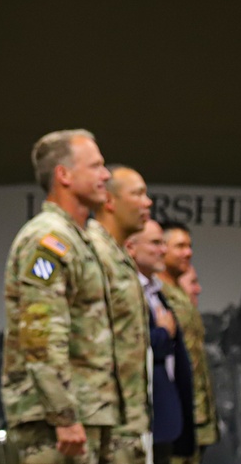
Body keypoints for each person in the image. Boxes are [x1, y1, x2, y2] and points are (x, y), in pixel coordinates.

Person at [2, 129, 121, 464]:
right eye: (96, 166)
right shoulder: (49, 239)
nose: (106, 175)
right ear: (63, 175)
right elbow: (41, 335)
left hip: (85, 410)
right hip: (55, 421)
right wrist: (64, 414)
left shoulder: (80, 237)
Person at [87, 166, 152, 464]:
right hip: (99, 420)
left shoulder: (119, 256)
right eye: (138, 193)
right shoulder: (92, 251)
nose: (148, 202)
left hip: (123, 419)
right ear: (110, 202)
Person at [125, 220, 194, 464]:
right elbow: (126, 346)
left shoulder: (156, 292)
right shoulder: (125, 290)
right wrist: (163, 335)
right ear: (130, 247)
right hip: (137, 419)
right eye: (156, 243)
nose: (163, 250)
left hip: (163, 417)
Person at [156, 222, 218, 464]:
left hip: (196, 411)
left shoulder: (180, 294)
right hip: (176, 413)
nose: (188, 252)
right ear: (162, 249)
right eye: (180, 246)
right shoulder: (156, 293)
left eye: (189, 246)